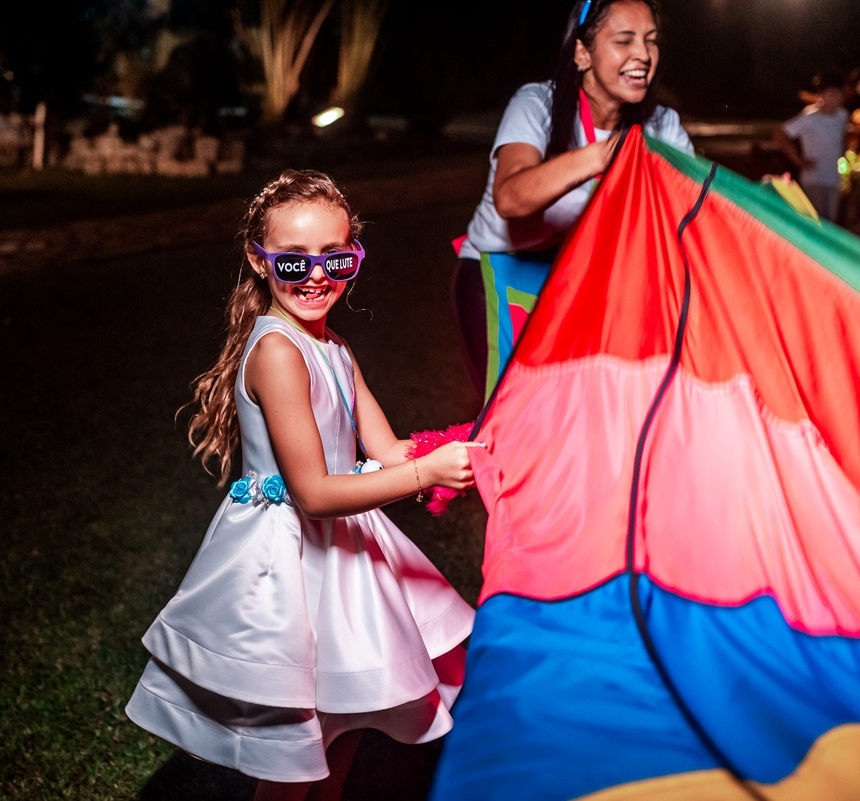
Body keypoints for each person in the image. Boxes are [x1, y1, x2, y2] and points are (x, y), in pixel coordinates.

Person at [125, 169, 480, 801]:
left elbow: (388, 450)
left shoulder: (335, 347)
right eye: (293, 261)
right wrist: (424, 473)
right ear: (259, 261)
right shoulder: (278, 353)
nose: (316, 276)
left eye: (335, 258)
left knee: (342, 730)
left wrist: (465, 443)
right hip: (290, 561)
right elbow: (314, 491)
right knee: (296, 752)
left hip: (342, 552)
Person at [451, 0, 694, 399]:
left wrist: (765, 201)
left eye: (651, 41)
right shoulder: (538, 104)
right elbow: (510, 199)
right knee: (514, 423)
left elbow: (690, 216)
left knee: (588, 420)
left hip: (585, 283)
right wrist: (599, 157)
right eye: (624, 40)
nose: (643, 55)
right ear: (583, 52)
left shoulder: (662, 125)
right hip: (500, 272)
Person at [773, 69, 849, 224]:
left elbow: (841, 137)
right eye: (831, 94)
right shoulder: (810, 117)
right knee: (817, 223)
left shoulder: (842, 115)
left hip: (833, 179)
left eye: (839, 94)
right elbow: (780, 135)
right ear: (821, 95)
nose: (836, 99)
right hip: (814, 179)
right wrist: (798, 160)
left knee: (832, 225)